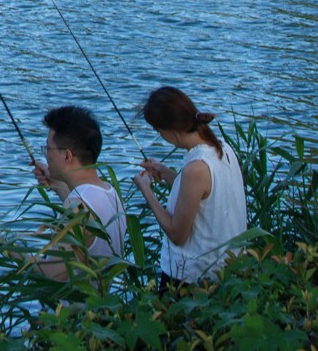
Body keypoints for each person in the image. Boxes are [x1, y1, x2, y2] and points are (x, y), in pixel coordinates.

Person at [132, 85, 249, 287]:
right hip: (227, 273)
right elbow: (203, 195)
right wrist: (166, 173)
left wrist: (146, 191)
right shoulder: (222, 148)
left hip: (192, 281)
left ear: (172, 131)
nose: (160, 135)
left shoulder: (195, 169)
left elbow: (177, 234)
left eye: (158, 130)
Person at [28, 104, 126, 277]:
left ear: (67, 155)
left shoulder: (76, 207)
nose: (46, 155)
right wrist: (56, 183)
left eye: (48, 148)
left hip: (76, 296)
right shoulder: (108, 192)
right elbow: (84, 212)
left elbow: (54, 274)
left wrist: (8, 249)